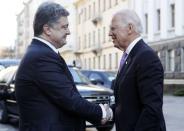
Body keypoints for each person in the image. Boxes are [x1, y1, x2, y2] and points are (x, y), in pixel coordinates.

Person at [15, 2, 112, 131]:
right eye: (64, 27)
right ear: (47, 29)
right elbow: (69, 98)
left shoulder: (41, 53)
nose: (69, 31)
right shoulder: (41, 57)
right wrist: (103, 113)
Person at [109, 9, 166, 131]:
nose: (109, 33)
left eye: (113, 28)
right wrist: (106, 112)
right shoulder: (130, 56)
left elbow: (151, 110)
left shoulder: (146, 57)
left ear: (130, 28)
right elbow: (126, 103)